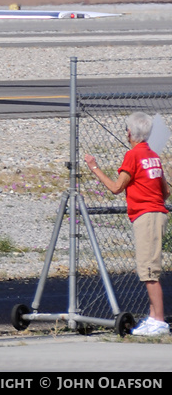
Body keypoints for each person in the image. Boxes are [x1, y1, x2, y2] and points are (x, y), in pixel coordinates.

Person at [84, 112, 170, 336]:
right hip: (156, 213)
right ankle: (153, 318)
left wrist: (94, 167)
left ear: (131, 133)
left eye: (126, 130)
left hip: (146, 216)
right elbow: (166, 191)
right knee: (148, 267)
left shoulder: (132, 155)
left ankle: (159, 321)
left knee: (149, 271)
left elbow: (116, 187)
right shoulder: (152, 155)